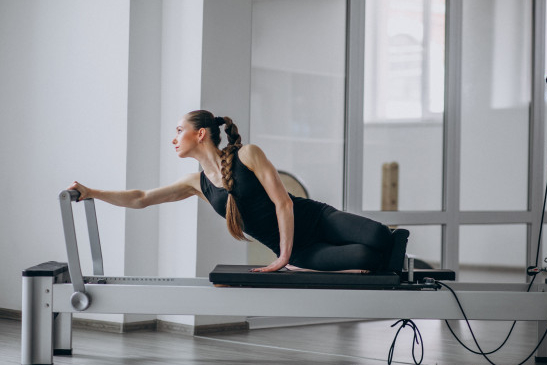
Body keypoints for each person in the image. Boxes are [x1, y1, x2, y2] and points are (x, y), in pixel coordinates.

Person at [69, 110, 409, 273]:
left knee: (379, 236)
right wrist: (91, 192)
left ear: (201, 134)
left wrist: (282, 259)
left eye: (179, 131)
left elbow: (284, 204)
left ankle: (398, 266)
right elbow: (141, 198)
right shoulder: (196, 184)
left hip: (317, 220)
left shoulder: (248, 154)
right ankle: (389, 266)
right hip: (303, 251)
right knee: (365, 257)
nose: (174, 138)